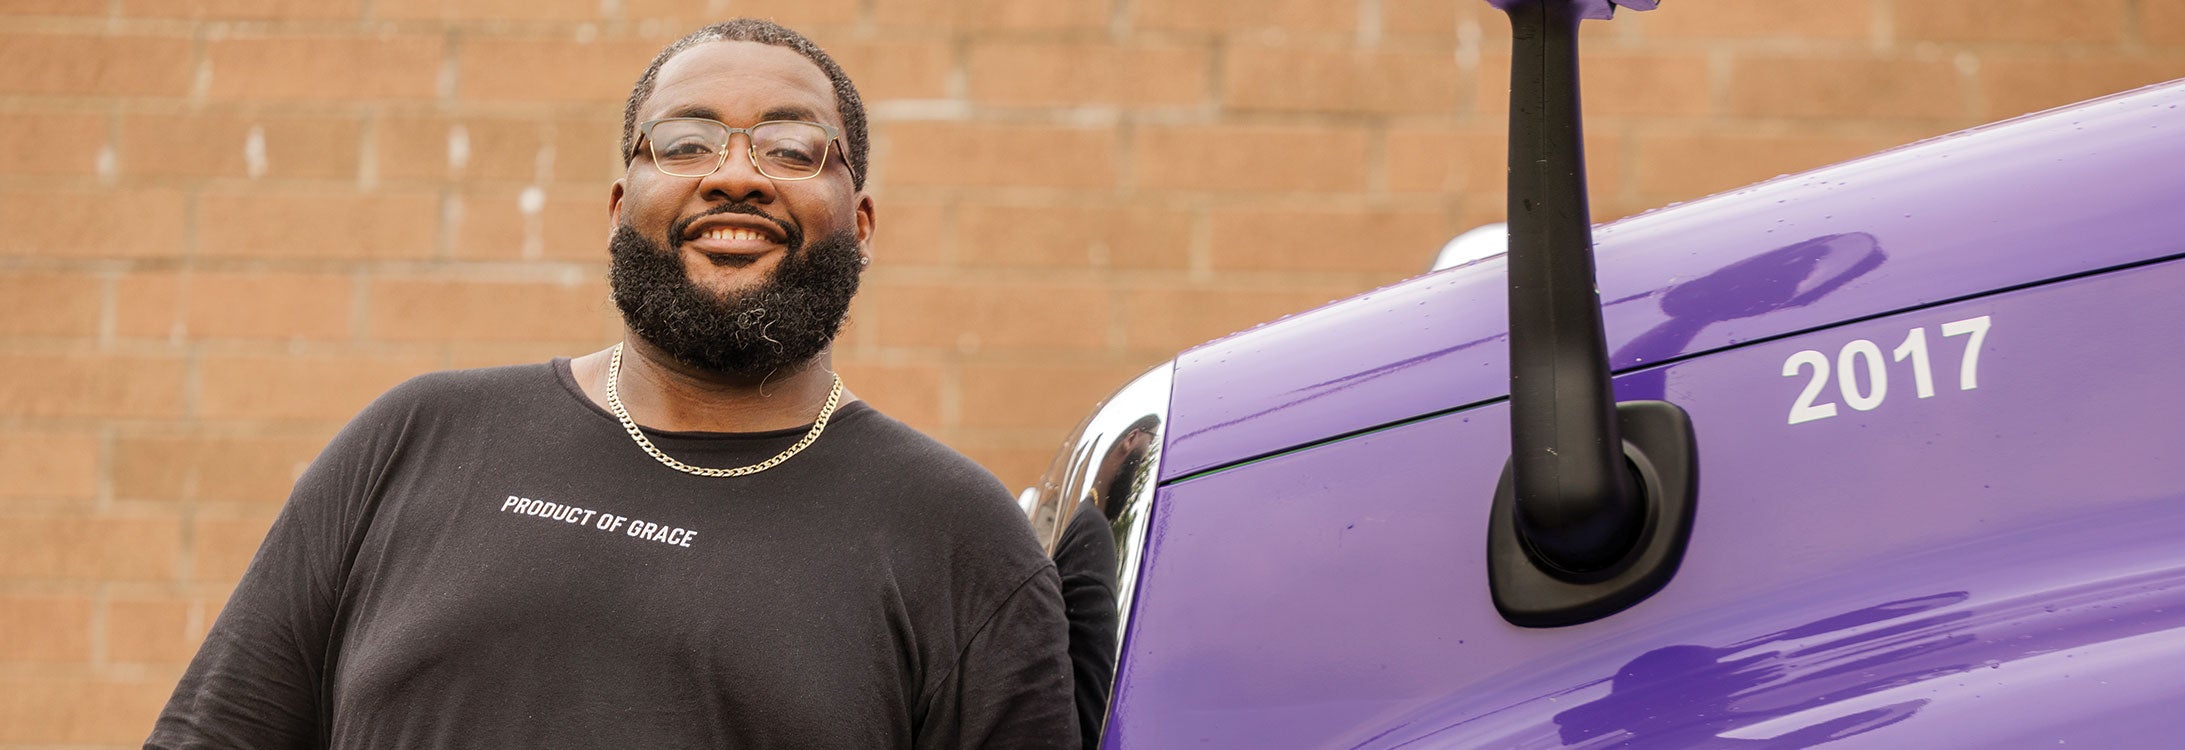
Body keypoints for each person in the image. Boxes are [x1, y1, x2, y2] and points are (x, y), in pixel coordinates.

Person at [147, 19, 1075, 749]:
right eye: (684, 143)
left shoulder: (960, 541)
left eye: (793, 149)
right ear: (619, 205)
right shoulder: (414, 442)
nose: (736, 177)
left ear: (861, 223)